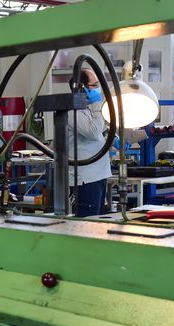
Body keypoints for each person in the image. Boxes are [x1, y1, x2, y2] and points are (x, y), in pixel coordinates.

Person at [67, 68, 111, 217]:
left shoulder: (85, 109)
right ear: (82, 87)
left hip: (98, 175)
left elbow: (99, 128)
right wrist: (98, 105)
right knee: (88, 226)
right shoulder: (73, 112)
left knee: (98, 224)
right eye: (95, 85)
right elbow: (93, 131)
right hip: (86, 179)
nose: (98, 89)